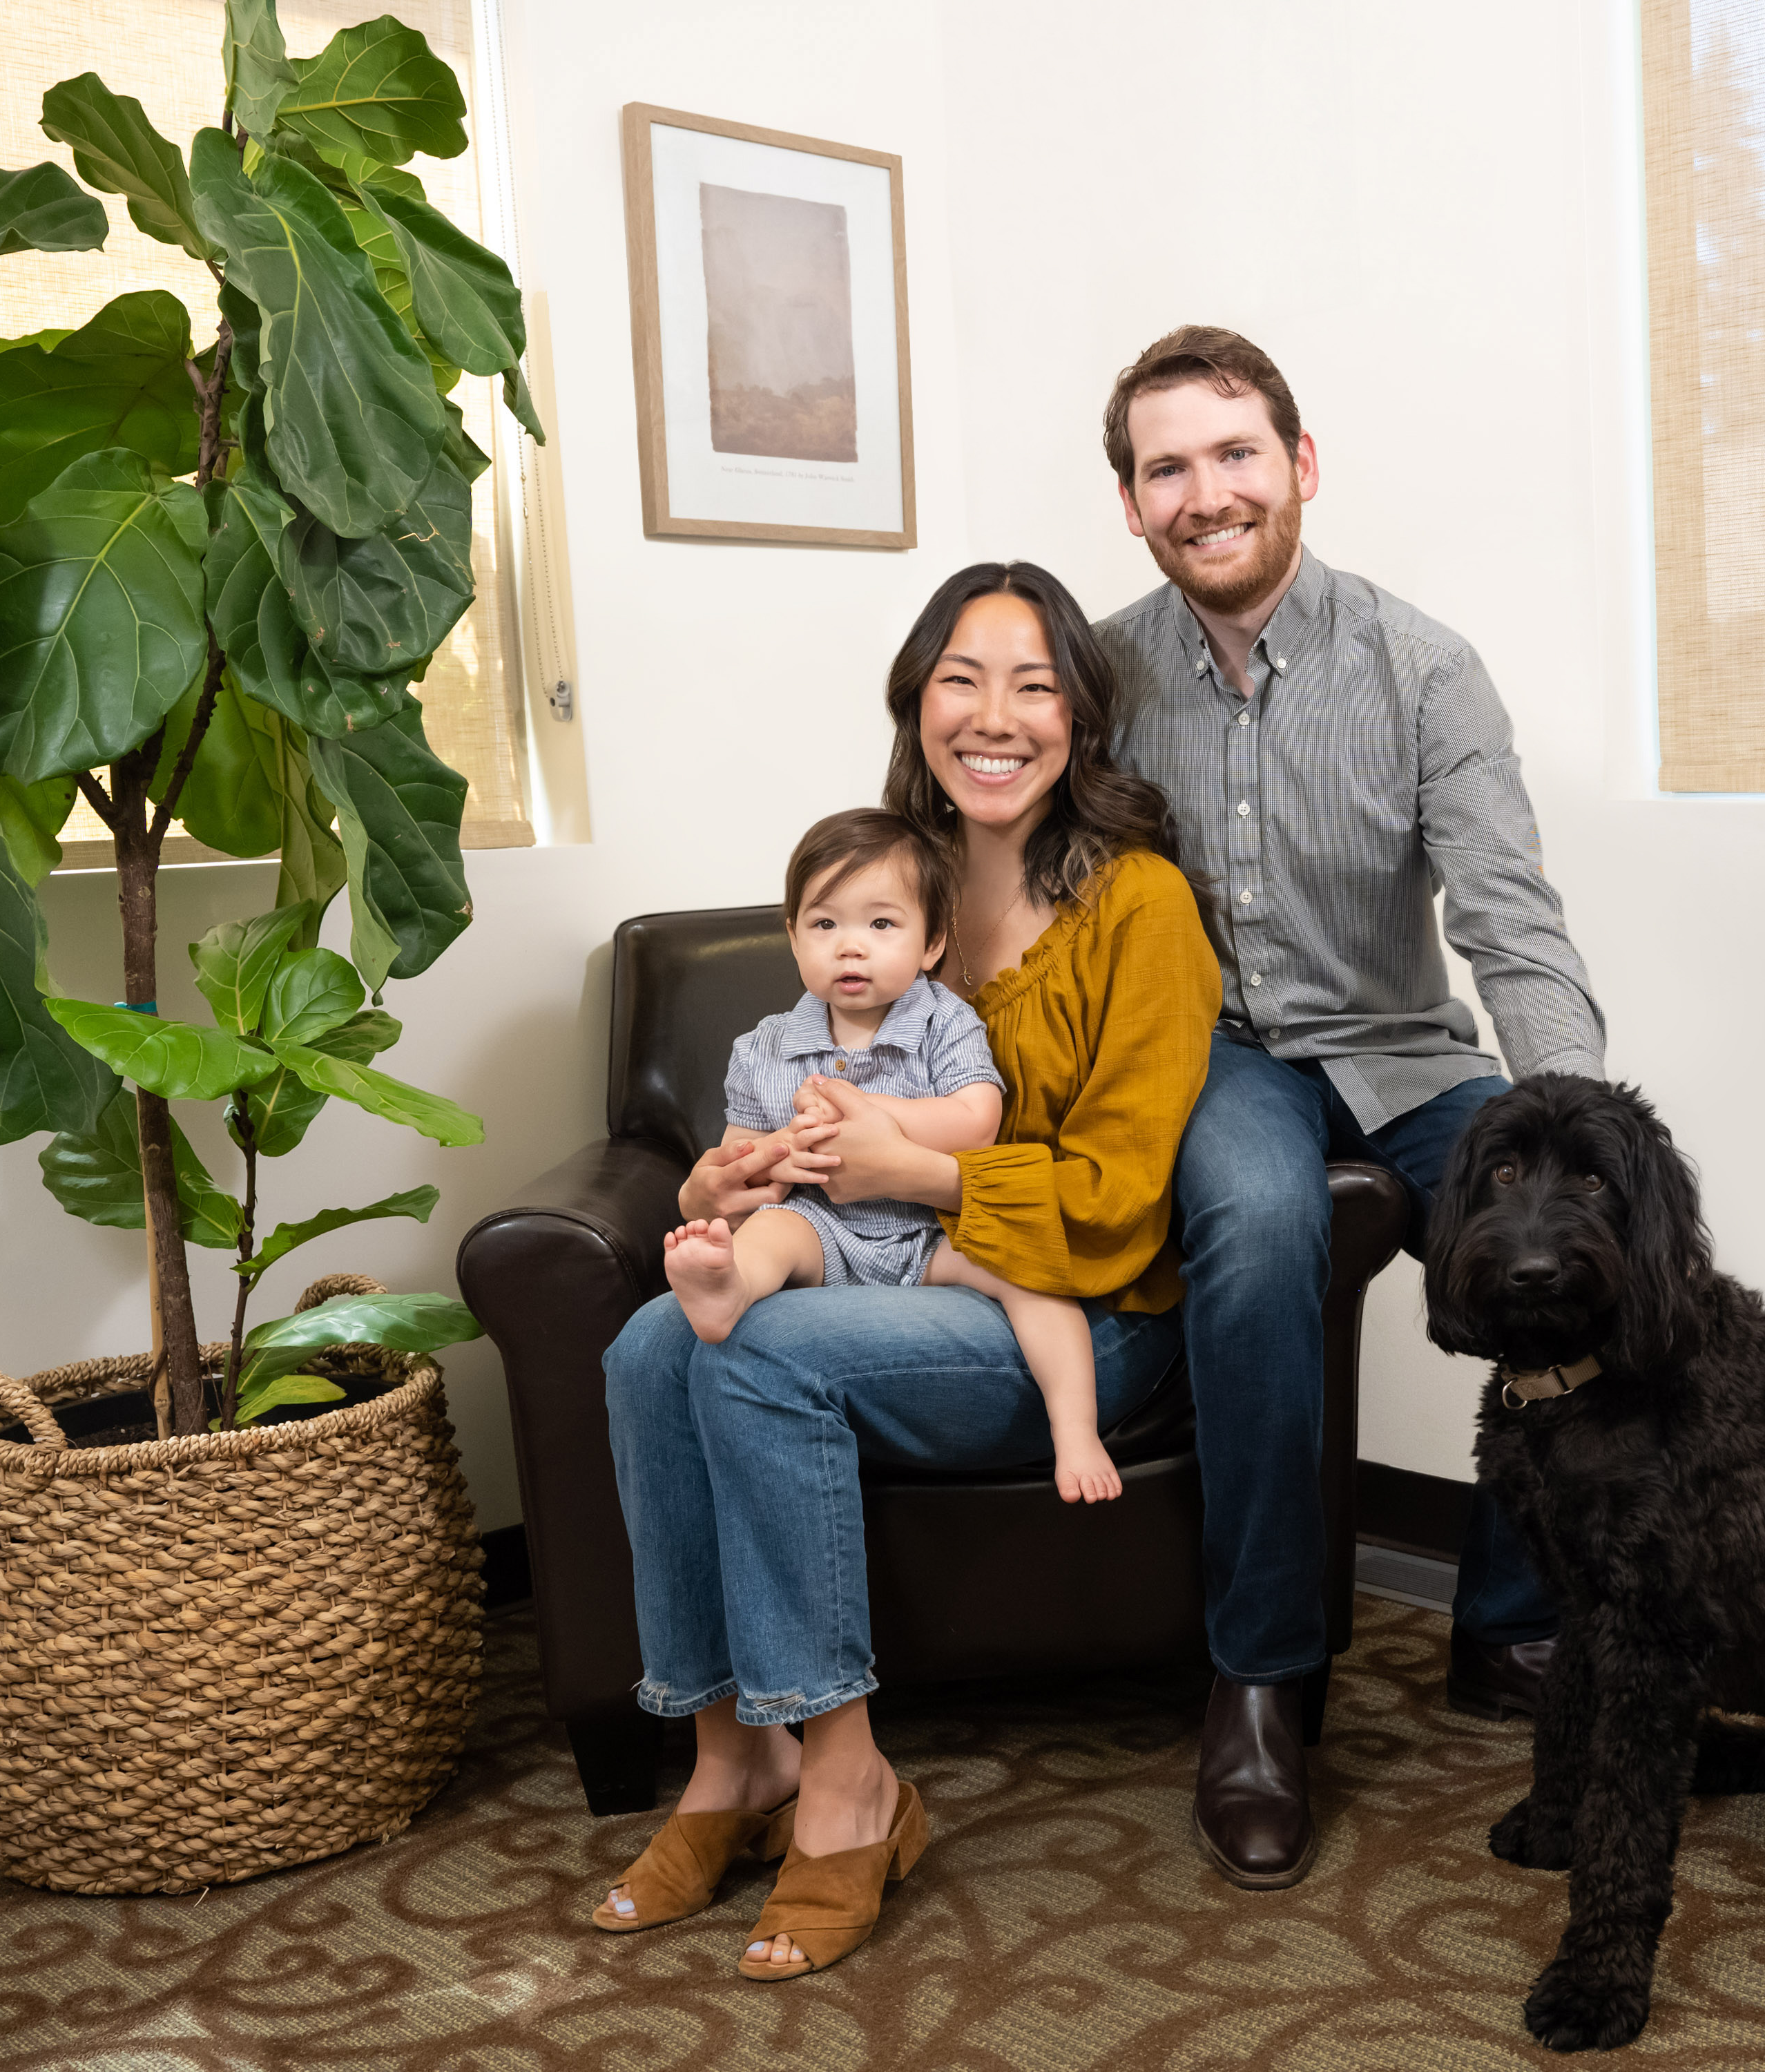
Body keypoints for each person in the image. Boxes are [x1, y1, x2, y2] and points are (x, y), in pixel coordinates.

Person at [595, 564, 1220, 1979]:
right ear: (915, 702)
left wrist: (917, 1171)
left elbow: (1122, 1201)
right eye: (960, 678)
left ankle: (849, 1780)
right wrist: (738, 1176)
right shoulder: (877, 894)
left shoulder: (1143, 910)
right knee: (648, 1346)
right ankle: (726, 1760)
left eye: (1035, 683)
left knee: (754, 1350)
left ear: (1082, 717)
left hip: (1070, 1309)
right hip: (884, 1281)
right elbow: (781, 1116)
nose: (994, 716)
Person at [1094, 325, 1609, 1891]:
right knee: (1252, 1225)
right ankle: (1259, 1682)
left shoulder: (1421, 664)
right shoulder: (1098, 673)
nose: (1206, 491)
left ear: (1298, 467)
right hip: (1222, 1058)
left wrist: (1571, 1116)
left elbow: (1506, 913)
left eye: (1233, 452)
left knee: (1562, 1231)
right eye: (1166, 466)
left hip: (1401, 1047)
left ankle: (1508, 1622)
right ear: (1129, 503)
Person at [659, 807, 1122, 1504]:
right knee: (770, 1235)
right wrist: (774, 1153)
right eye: (825, 925)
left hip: (934, 1230)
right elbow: (740, 1160)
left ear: (932, 942)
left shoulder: (946, 1023)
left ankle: (1076, 1427)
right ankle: (725, 1291)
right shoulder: (763, 1047)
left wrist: (878, 1116)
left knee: (1031, 1274)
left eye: (882, 925)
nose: (852, 947)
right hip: (824, 1231)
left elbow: (978, 1122)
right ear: (792, 938)